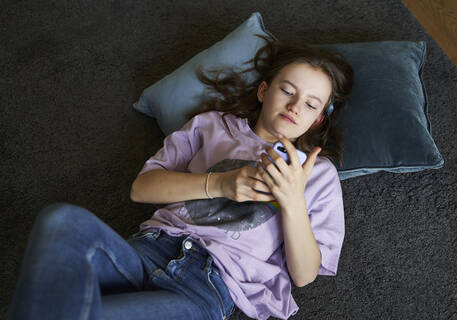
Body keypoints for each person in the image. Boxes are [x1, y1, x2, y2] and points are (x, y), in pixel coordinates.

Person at [8, 35, 354, 320]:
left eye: (311, 104)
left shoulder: (318, 173)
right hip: (148, 250)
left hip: (209, 284)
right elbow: (141, 189)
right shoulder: (212, 125)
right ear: (264, 91)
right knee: (60, 218)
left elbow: (305, 275)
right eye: (287, 90)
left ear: (319, 120)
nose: (295, 106)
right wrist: (222, 183)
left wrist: (292, 200)